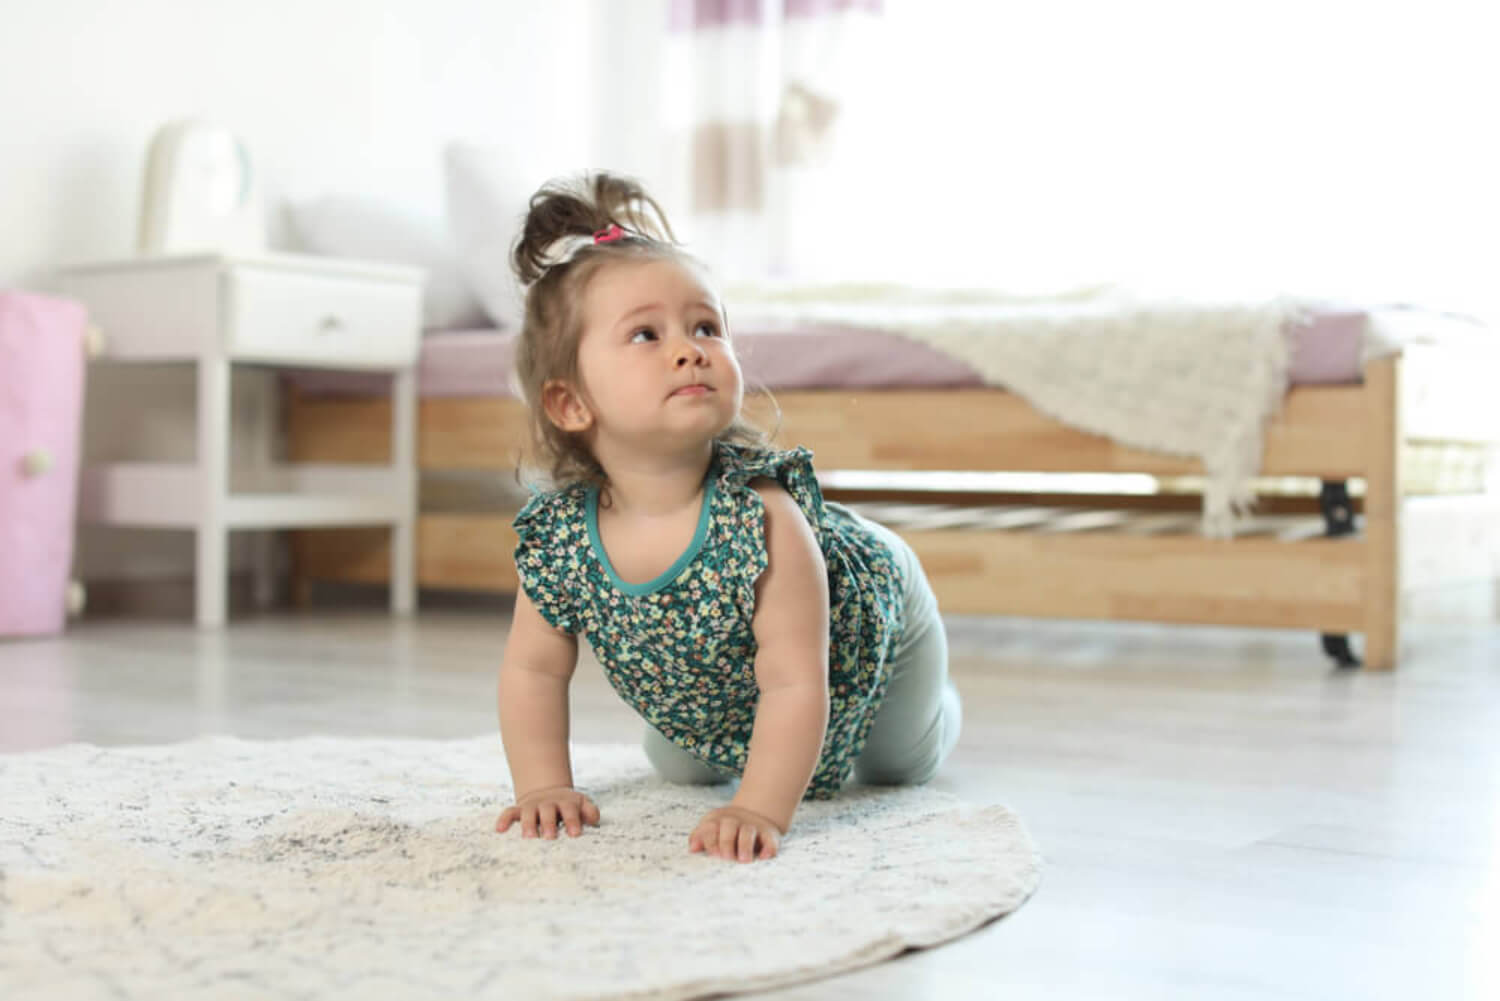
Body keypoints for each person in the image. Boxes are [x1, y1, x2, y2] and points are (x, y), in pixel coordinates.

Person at [493, 172, 961, 863]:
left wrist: (757, 807)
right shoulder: (563, 536)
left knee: (897, 763)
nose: (691, 348)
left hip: (875, 632)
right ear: (571, 404)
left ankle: (942, 710)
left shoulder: (762, 517)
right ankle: (721, 737)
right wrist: (543, 786)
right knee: (682, 766)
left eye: (706, 326)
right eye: (646, 334)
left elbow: (798, 681)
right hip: (723, 686)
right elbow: (532, 670)